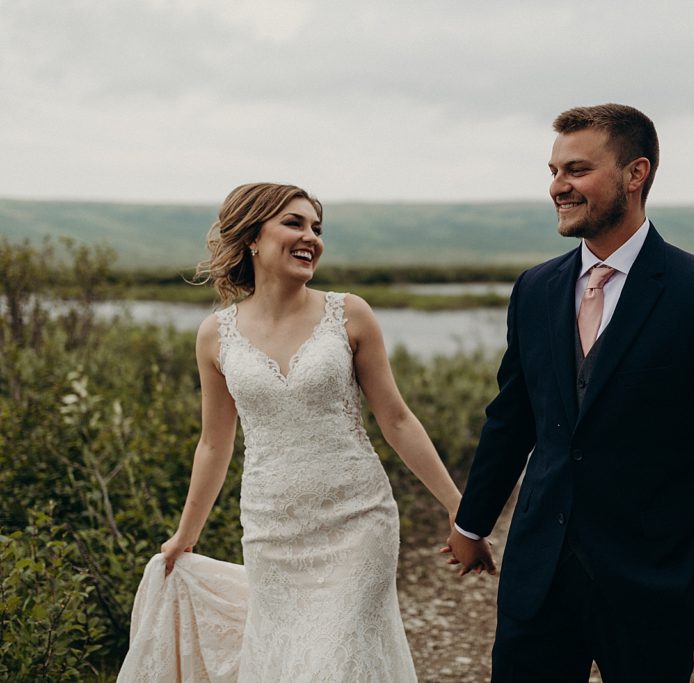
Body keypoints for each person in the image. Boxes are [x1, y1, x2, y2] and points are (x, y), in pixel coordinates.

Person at [444, 104, 694, 681]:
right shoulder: (536, 288)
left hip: (654, 579)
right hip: (538, 576)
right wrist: (472, 523)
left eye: (576, 170)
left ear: (635, 173)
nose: (557, 187)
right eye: (553, 171)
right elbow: (512, 417)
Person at [119, 182, 461, 681]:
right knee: (288, 664)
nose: (311, 238)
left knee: (338, 662)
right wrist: (185, 535)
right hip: (271, 530)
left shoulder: (350, 313)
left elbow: (397, 419)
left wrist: (459, 507)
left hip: (358, 520)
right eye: (294, 223)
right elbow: (214, 443)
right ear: (253, 238)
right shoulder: (216, 334)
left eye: (317, 228)